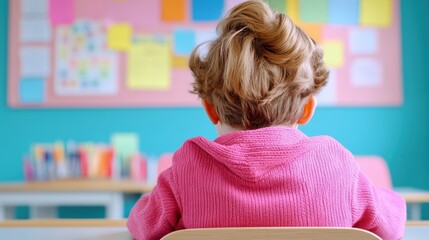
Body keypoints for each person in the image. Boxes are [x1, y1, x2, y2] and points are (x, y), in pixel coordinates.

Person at [127, 1, 406, 239]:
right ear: (307, 110)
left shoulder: (187, 169)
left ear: (210, 110)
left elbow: (141, 225)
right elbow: (391, 226)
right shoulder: (338, 166)